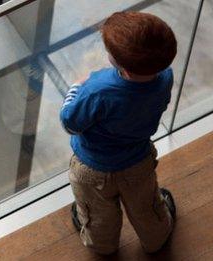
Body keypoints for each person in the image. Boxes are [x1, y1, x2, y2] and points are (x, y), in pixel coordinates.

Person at [59, 11, 177, 255]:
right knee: (146, 207)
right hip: (138, 161)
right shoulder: (165, 78)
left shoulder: (97, 90)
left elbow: (70, 122)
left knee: (97, 214)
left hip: (92, 168)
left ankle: (102, 246)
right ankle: (156, 238)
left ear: (117, 62)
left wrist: (76, 87)